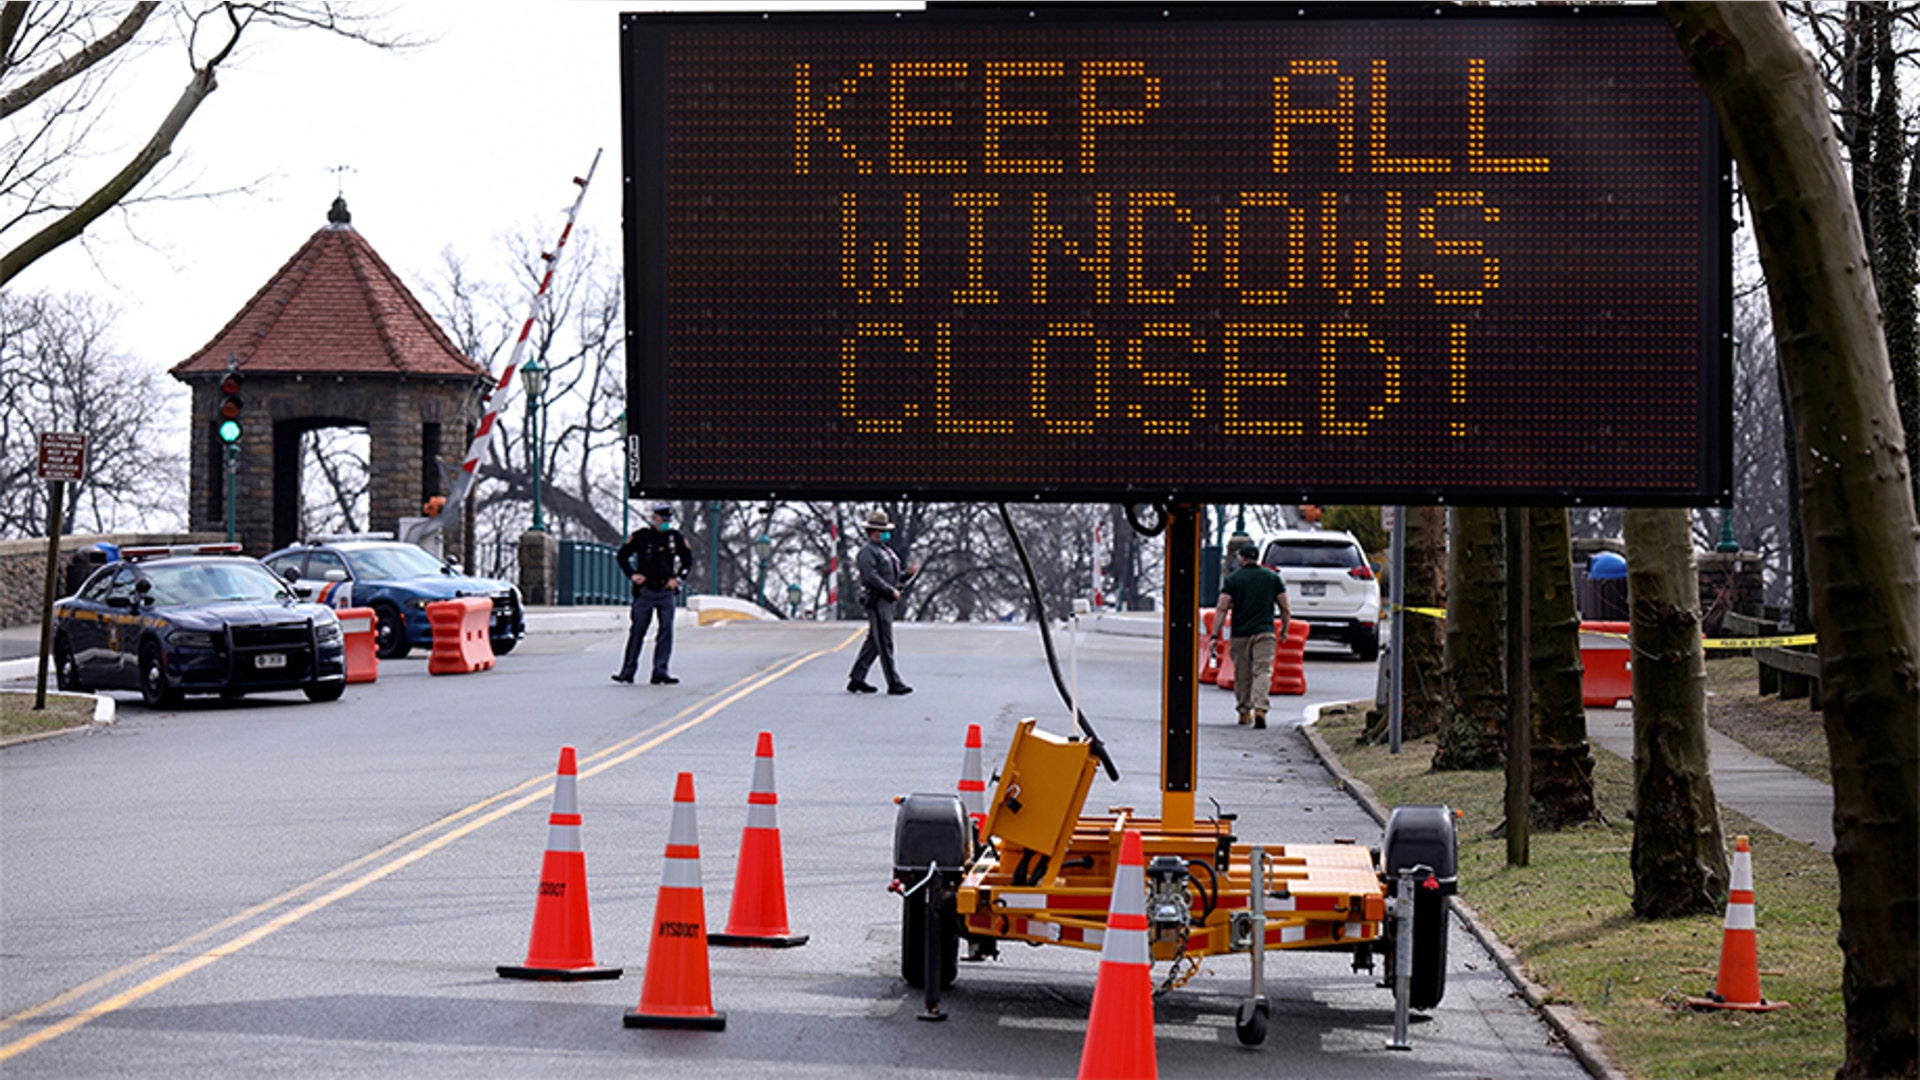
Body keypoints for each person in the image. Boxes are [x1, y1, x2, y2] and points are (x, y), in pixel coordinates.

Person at [1208, 543, 1290, 728]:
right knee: (1262, 670)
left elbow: (1221, 608)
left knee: (1242, 674)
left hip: (1241, 634)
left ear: (1242, 558)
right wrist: (1284, 629)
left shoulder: (1233, 580)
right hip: (1265, 632)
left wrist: (1215, 635)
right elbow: (1285, 607)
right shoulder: (1272, 578)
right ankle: (1261, 707)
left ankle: (1244, 711)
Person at [613, 501, 693, 685]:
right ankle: (628, 671)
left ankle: (660, 671)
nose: (665, 522)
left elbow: (688, 561)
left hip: (666, 590)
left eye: (668, 519)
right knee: (638, 630)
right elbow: (622, 556)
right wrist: (632, 574)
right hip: (646, 589)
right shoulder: (641, 536)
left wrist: (678, 579)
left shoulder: (675, 537)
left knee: (666, 630)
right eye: (661, 518)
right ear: (654, 518)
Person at [847, 508, 917, 695]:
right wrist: (890, 590)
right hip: (877, 600)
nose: (886, 532)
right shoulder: (867, 552)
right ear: (873, 531)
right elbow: (870, 577)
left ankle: (857, 678)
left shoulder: (885, 551)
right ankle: (894, 682)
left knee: (874, 642)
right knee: (884, 642)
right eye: (882, 529)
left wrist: (906, 576)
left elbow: (891, 576)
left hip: (886, 601)